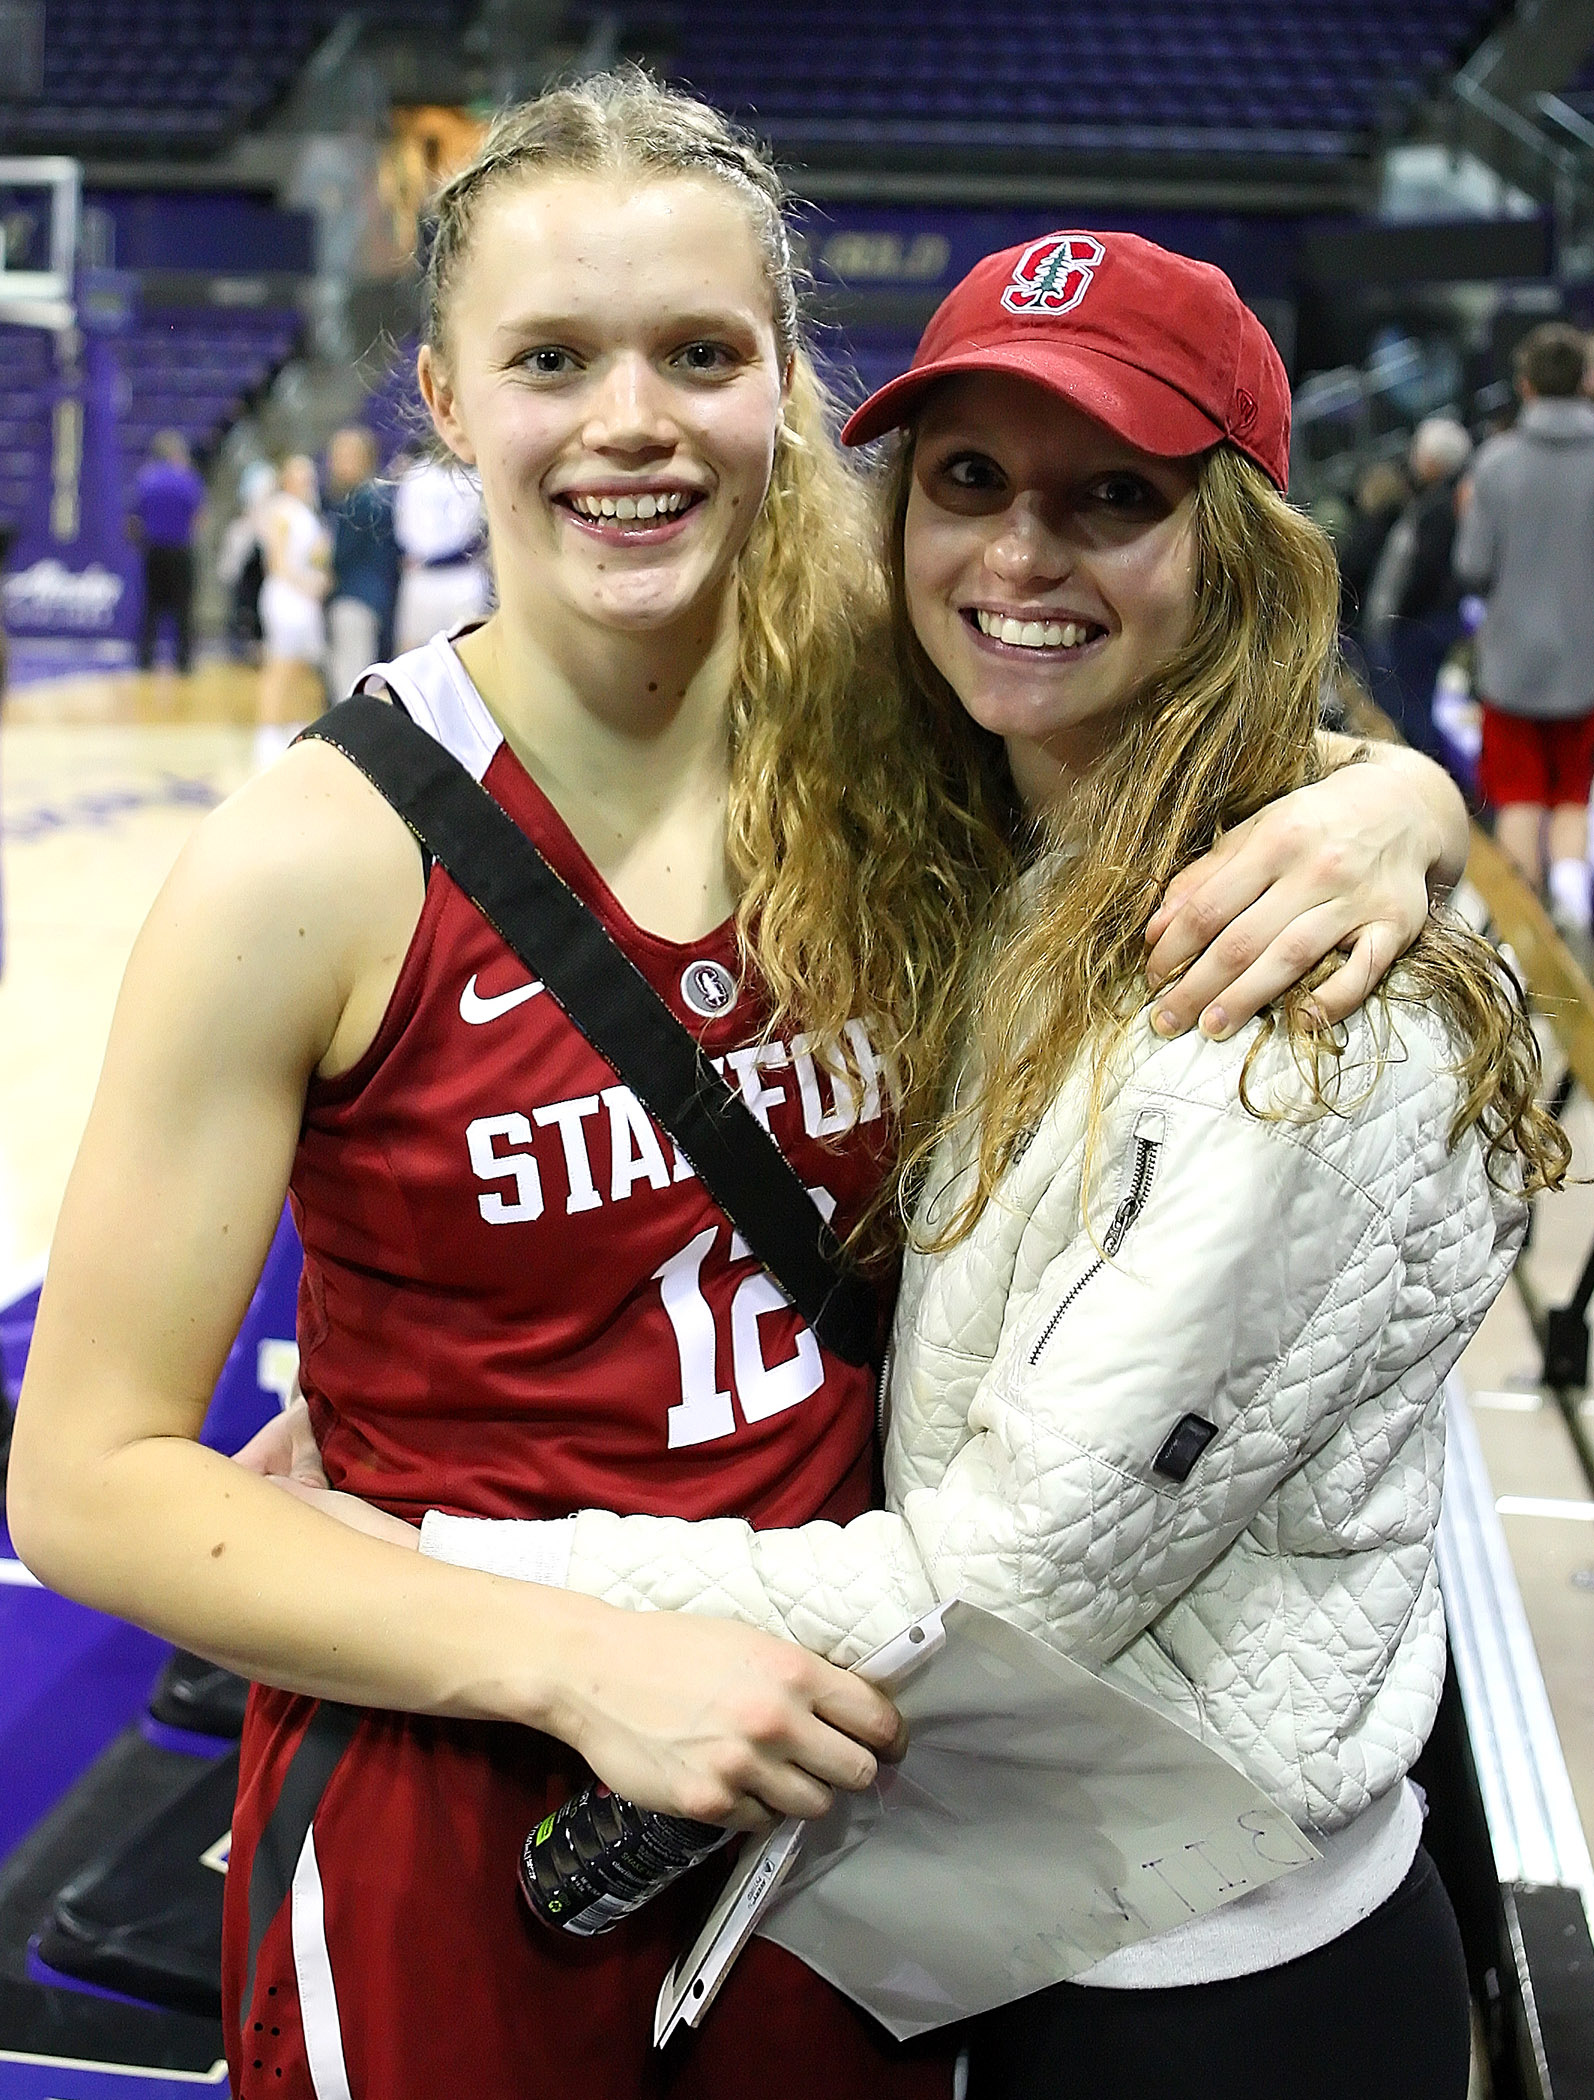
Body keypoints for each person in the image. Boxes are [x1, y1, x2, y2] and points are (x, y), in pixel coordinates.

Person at [9, 78, 1472, 2100]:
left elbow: (1181, 730)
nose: (629, 417)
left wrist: (1394, 803)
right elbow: (84, 1481)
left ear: (783, 386)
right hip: (473, 1790)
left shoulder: (902, 735)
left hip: (856, 1814)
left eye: (697, 354)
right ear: (441, 398)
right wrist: (561, 1646)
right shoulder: (313, 859)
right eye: (550, 360)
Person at [313, 232, 1562, 2100]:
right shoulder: (1004, 841)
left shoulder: (1288, 1013)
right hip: (1005, 1926)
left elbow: (996, 1601)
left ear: (1230, 548)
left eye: (1109, 498)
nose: (1014, 554)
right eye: (965, 481)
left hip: (1203, 1991)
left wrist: (435, 1561)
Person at [1454, 320, 1594, 935]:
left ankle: (1523, 938)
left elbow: (1472, 566)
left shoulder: (1497, 463)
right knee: (1570, 799)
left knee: (1519, 798)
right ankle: (1574, 903)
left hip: (1512, 668)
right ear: (1585, 382)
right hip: (1586, 667)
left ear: (1525, 385)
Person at [1362, 415, 1472, 766]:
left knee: (1414, 710)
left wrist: (1401, 613)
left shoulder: (1442, 510)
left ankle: (1432, 775)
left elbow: (1425, 571)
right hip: (1418, 621)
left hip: (1421, 624)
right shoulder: (1428, 502)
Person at [256, 453, 332, 753]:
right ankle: (267, 732)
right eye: (299, 476)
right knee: (280, 664)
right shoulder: (281, 511)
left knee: (301, 666)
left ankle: (294, 725)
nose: (306, 481)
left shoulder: (307, 510)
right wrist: (306, 585)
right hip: (286, 595)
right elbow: (277, 562)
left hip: (304, 596)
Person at [324, 425, 401, 702]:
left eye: (344, 456)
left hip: (356, 600)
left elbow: (337, 557)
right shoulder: (368, 497)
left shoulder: (362, 502)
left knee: (351, 683)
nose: (336, 464)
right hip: (373, 600)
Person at [392, 446, 489, 649]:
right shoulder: (416, 476)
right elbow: (404, 527)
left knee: (467, 649)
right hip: (423, 576)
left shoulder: (475, 477)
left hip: (462, 576)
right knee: (412, 651)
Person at [131, 430, 206, 674]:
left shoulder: (146, 479)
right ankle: (183, 661)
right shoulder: (189, 480)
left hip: (153, 551)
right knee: (183, 608)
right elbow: (199, 517)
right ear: (176, 454)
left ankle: (145, 659)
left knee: (151, 607)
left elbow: (135, 519)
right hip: (180, 551)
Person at [216, 459, 276, 663]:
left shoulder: (275, 522)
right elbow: (231, 563)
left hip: (264, 583)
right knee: (243, 614)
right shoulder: (240, 529)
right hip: (246, 582)